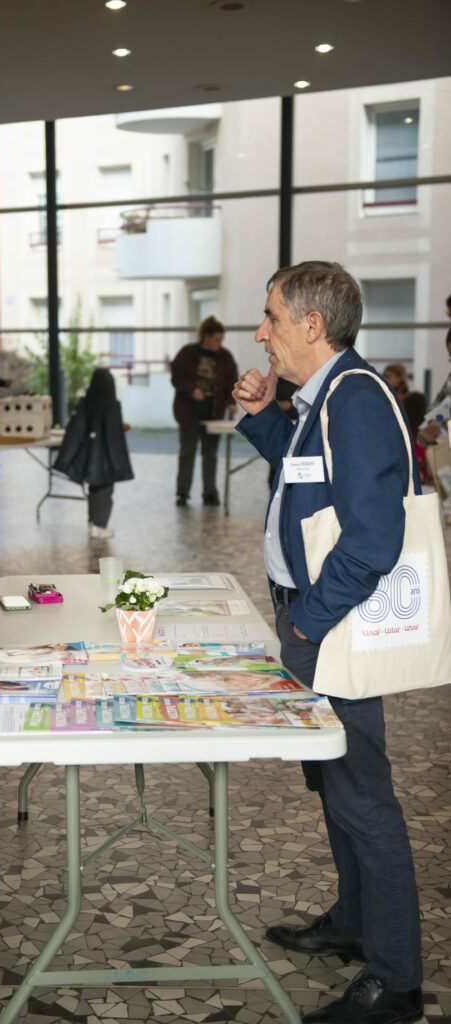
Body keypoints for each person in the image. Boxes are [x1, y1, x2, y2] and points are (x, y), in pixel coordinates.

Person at [233, 261, 423, 1024]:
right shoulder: (322, 398)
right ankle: (353, 920)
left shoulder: (354, 401)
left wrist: (308, 618)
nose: (260, 332)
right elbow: (305, 473)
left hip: (330, 623)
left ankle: (397, 977)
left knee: (362, 796)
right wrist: (258, 415)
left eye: (271, 317)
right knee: (333, 785)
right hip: (313, 617)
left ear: (311, 325)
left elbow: (374, 537)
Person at [53, 368, 133, 539]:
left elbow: (76, 432)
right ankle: (99, 525)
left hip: (91, 459)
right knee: (105, 492)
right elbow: (113, 433)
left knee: (94, 490)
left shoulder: (85, 404)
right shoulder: (112, 406)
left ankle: (93, 523)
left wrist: (64, 459)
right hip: (107, 460)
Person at [171, 315, 237, 506]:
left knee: (210, 454)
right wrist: (192, 390)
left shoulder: (225, 357)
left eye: (221, 340)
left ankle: (210, 492)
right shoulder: (187, 353)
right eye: (216, 339)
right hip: (189, 411)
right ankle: (182, 492)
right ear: (206, 336)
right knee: (187, 453)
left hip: (213, 412)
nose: (219, 343)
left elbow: (231, 381)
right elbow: (176, 377)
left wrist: (231, 401)